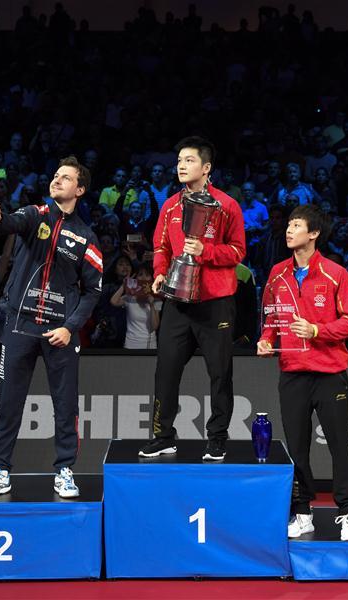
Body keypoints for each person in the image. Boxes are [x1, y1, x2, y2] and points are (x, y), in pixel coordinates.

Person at [0, 156, 102, 500]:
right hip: (19, 326)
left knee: (65, 406)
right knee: (9, 402)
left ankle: (64, 471)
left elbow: (94, 291)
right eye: (55, 176)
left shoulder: (86, 238)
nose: (57, 181)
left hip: (59, 333)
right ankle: (0, 470)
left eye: (66, 178)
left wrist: (71, 327)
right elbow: (7, 224)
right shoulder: (35, 215)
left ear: (80, 189)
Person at [257, 204, 348, 541]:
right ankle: (302, 513)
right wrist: (264, 340)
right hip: (292, 373)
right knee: (296, 448)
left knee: (339, 446)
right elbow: (272, 317)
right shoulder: (277, 274)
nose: (289, 230)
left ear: (314, 234)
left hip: (329, 373)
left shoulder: (335, 274)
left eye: (297, 225)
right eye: (288, 224)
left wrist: (316, 331)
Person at [139, 136, 246, 460]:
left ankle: (217, 438)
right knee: (166, 370)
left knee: (219, 372)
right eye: (179, 161)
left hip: (216, 301)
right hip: (177, 301)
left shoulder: (227, 205)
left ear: (206, 167)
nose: (181, 166)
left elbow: (239, 251)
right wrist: (159, 272)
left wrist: (207, 252)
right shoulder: (170, 205)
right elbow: (161, 247)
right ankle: (163, 435)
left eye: (189, 160)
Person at [110, 262, 161, 349]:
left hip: (150, 345)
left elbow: (154, 326)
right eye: (140, 275)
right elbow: (113, 302)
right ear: (135, 278)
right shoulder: (129, 297)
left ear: (152, 278)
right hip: (130, 344)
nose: (144, 278)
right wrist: (125, 285)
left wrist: (152, 305)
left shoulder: (156, 299)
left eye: (147, 275)